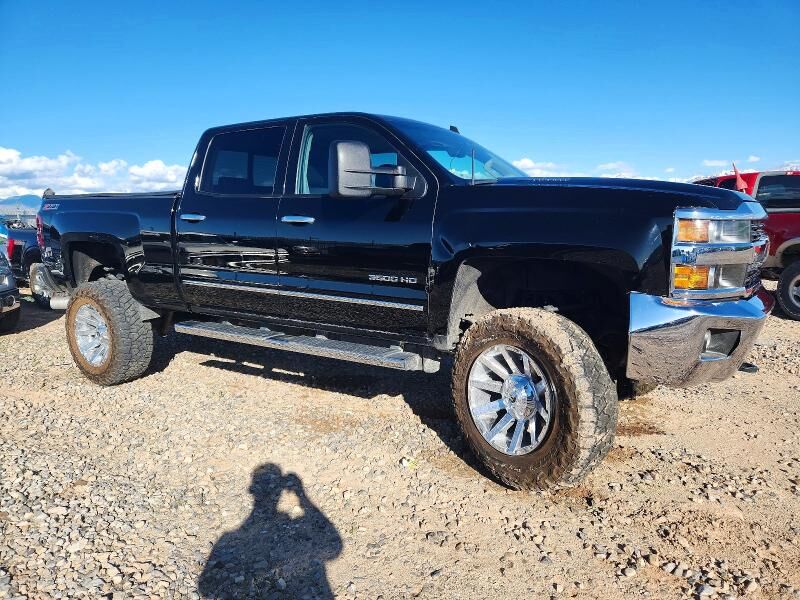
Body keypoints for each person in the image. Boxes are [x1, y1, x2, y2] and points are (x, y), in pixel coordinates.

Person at [199, 463, 342, 599]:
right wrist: (301, 495)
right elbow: (334, 547)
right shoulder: (229, 538)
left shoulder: (227, 539)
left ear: (252, 489)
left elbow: (205, 588)